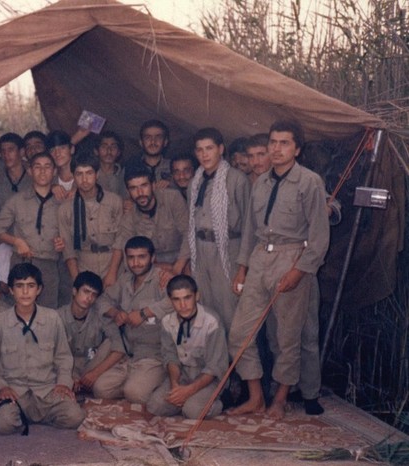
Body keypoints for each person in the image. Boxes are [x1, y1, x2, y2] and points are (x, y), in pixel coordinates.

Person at [229, 120, 330, 420]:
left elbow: (319, 237)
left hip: (292, 256)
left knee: (288, 337)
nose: (276, 148)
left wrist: (298, 271)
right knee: (240, 332)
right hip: (261, 257)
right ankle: (256, 397)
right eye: (272, 142)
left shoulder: (309, 182)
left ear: (297, 149)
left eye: (284, 143)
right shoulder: (261, 182)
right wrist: (242, 268)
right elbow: (250, 230)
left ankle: (281, 399)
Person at [0, 263, 85, 434]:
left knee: (75, 416)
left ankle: (28, 416)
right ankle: (14, 413)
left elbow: (63, 356)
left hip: (47, 390)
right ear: (11, 290)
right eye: (19, 286)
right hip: (14, 391)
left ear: (39, 290)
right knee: (3, 425)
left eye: (30, 286)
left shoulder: (52, 318)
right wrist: (1, 387)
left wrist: (63, 383)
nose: (25, 292)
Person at [94, 236, 172, 404]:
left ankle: (162, 379)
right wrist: (116, 313)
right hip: (129, 353)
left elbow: (175, 301)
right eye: (131, 257)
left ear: (152, 257)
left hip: (155, 355)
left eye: (141, 257)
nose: (136, 263)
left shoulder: (162, 279)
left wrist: (144, 313)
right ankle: (137, 382)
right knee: (100, 389)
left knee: (135, 394)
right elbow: (102, 300)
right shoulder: (125, 279)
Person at [187, 127, 250, 332]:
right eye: (199, 150)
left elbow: (249, 226)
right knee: (205, 311)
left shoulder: (237, 179)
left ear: (221, 149)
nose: (204, 154)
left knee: (230, 311)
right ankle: (216, 353)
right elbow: (190, 225)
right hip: (200, 251)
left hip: (227, 250)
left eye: (209, 148)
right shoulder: (194, 183)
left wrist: (243, 268)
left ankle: (238, 353)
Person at [147, 275, 228, 418]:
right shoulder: (167, 321)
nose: (183, 305)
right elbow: (170, 356)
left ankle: (219, 402)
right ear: (170, 300)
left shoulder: (211, 321)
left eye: (187, 298)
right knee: (155, 406)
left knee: (192, 411)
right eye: (176, 300)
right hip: (183, 374)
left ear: (197, 296)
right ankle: (185, 402)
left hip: (208, 378)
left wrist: (189, 391)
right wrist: (175, 385)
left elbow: (214, 366)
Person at [0, 152, 65, 308]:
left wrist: (63, 243)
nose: (42, 171)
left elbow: (72, 233)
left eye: (47, 167)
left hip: (49, 266)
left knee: (47, 313)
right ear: (30, 171)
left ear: (54, 171)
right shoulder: (17, 200)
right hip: (22, 263)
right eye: (37, 167)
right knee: (19, 310)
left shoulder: (63, 202)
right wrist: (16, 241)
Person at [108, 164, 190, 284]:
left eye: (144, 185)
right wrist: (164, 268)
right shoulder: (129, 217)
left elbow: (188, 234)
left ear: (153, 185)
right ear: (128, 191)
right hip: (153, 264)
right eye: (133, 188)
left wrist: (177, 269)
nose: (140, 192)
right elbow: (124, 247)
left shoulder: (173, 198)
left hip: (182, 256)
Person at [55, 271, 124, 394]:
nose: (89, 298)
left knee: (110, 343)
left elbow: (119, 348)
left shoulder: (100, 316)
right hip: (65, 368)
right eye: (86, 292)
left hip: (91, 364)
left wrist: (95, 373)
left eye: (94, 295)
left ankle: (86, 384)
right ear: (74, 291)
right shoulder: (57, 317)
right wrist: (69, 377)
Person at [58, 154, 123, 284]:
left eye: (89, 173)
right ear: (73, 176)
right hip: (83, 266)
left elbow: (120, 240)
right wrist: (77, 280)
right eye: (79, 174)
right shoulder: (65, 209)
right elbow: (68, 249)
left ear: (97, 174)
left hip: (112, 264)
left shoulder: (114, 201)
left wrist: (112, 273)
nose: (84, 179)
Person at [125, 120, 172, 188]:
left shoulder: (174, 167)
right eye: (148, 137)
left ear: (165, 142)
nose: (153, 141)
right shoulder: (130, 168)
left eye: (158, 137)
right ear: (141, 142)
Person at [46, 130, 77, 201]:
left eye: (62, 148)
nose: (57, 153)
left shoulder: (86, 175)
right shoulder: (49, 180)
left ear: (72, 149)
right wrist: (50, 188)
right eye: (52, 150)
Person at [94, 131, 125, 196]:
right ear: (96, 151)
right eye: (104, 147)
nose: (109, 151)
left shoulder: (124, 174)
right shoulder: (90, 173)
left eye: (113, 147)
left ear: (119, 152)